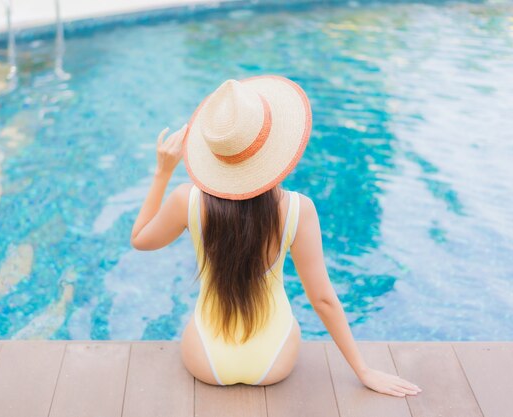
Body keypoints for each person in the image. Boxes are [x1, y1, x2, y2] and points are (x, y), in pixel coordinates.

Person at [130, 75, 421, 396]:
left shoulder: (187, 200)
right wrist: (363, 371)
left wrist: (163, 172)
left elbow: (140, 239)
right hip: (274, 360)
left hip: (206, 361)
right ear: (275, 150)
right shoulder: (298, 209)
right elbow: (323, 300)